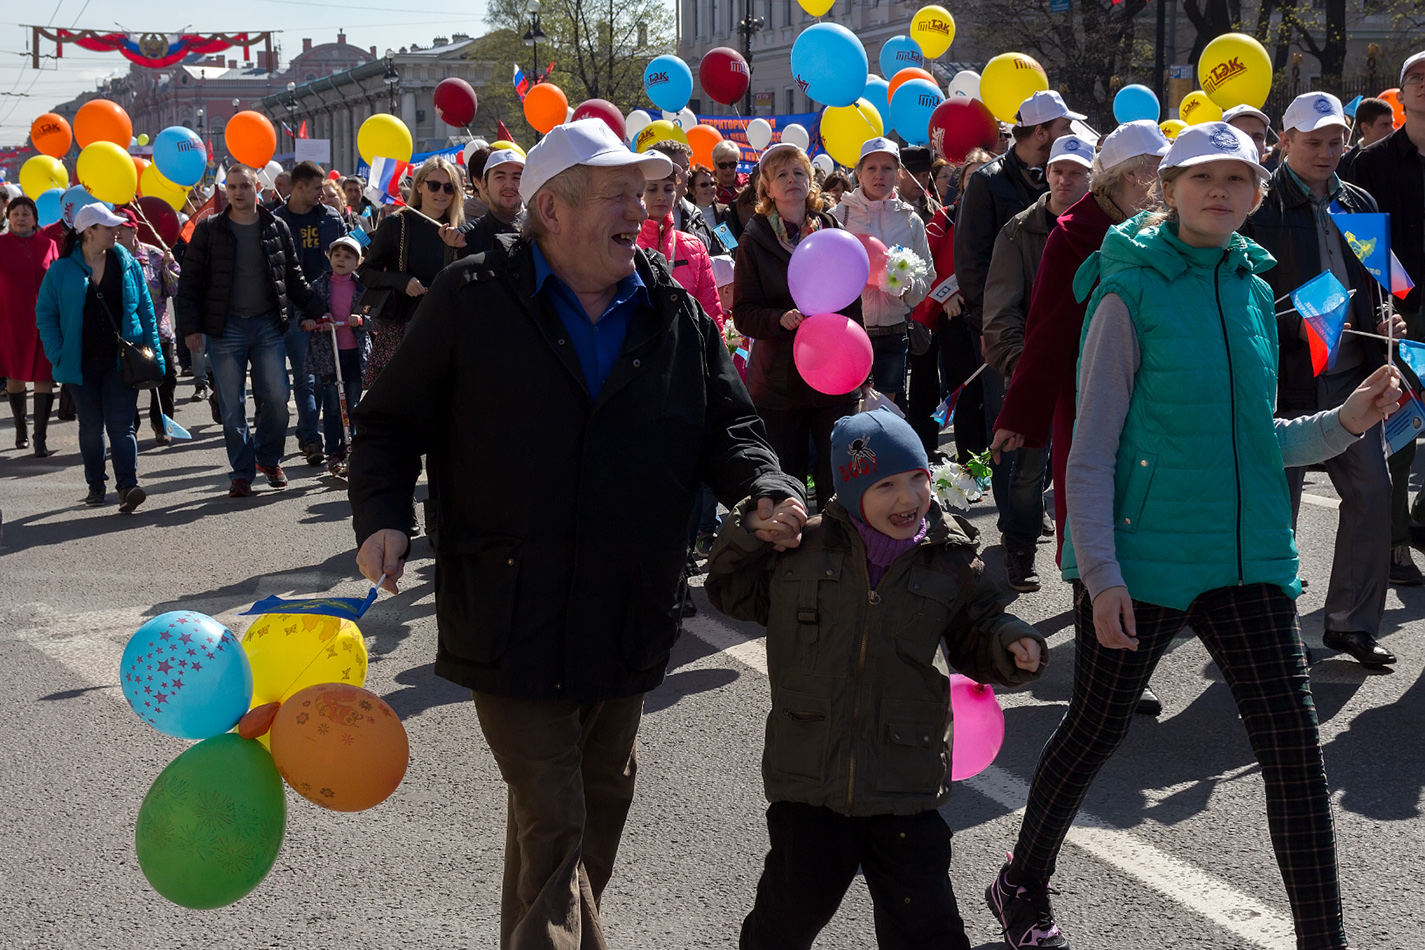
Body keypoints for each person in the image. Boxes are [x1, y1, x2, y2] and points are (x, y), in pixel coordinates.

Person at [349, 117, 805, 949]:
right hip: (508, 603)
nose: (643, 207)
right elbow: (387, 424)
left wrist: (764, 488)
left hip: (626, 605)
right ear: (551, 210)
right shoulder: (473, 295)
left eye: (645, 190)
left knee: (587, 820)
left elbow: (729, 428)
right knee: (555, 821)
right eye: (618, 193)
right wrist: (380, 515)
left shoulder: (670, 306)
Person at [984, 122, 1401, 950]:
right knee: (1095, 728)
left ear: (1255, 195)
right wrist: (1098, 573)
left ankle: (1325, 939)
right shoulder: (1123, 289)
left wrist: (1346, 422)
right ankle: (1020, 880)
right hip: (1144, 559)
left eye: (1236, 179)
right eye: (1199, 176)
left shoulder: (1250, 289)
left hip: (1247, 559)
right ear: (1164, 190)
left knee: (1293, 750)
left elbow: (1260, 438)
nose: (1220, 191)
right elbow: (1091, 446)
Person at [705, 407, 1046, 950]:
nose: (908, 498)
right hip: (810, 780)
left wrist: (1010, 641)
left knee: (927, 929)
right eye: (886, 485)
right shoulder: (801, 550)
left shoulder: (949, 558)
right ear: (850, 490)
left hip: (904, 780)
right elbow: (727, 588)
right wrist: (749, 530)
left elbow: (978, 625)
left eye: (917, 478)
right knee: (783, 922)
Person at [991, 120, 1170, 714]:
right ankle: (1104, 674)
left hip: (1156, 399)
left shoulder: (1172, 230)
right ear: (1118, 179)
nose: (1160, 184)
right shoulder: (1074, 233)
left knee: (1143, 530)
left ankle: (1126, 664)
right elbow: (1048, 328)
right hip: (1090, 395)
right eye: (1150, 172)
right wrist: (1023, 413)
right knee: (1094, 526)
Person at [1242, 91, 1402, 666]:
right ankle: (1271, 631)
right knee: (1273, 514)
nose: (1328, 151)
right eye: (1313, 141)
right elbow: (1244, 297)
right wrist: (1304, 317)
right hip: (1283, 382)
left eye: (1336, 140)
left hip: (1352, 378)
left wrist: (1387, 313)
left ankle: (1351, 626)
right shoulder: (1257, 206)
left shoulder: (1359, 199)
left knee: (1373, 495)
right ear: (1284, 142)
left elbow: (1382, 278)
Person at [981, 134, 1095, 592]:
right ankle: (1020, 550)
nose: (1065, 179)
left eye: (1076, 172)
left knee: (1085, 469)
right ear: (1045, 174)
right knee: (1027, 469)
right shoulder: (1019, 230)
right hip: (1032, 370)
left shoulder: (1105, 230)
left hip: (1088, 373)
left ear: (1092, 179)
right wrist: (1020, 364)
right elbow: (1000, 306)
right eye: (1057, 170)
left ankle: (1089, 559)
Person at [176, 163, 324, 498]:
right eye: (232, 187)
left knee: (276, 397)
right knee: (232, 405)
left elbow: (293, 277)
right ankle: (241, 472)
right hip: (224, 328)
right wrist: (190, 328)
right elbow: (190, 283)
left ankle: (268, 458)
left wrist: (320, 308)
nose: (239, 192)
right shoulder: (209, 229)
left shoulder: (276, 226)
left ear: (258, 187)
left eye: (245, 185)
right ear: (226, 190)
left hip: (268, 325)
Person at [733, 142, 863, 512]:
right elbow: (743, 313)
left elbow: (851, 299)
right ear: (767, 189)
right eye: (782, 175)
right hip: (779, 383)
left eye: (799, 173)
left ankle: (837, 553)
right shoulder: (754, 240)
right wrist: (778, 318)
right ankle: (787, 557)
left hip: (832, 375)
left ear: (811, 182)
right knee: (785, 478)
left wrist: (859, 365)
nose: (792, 180)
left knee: (835, 473)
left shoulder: (830, 228)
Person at [1347, 49, 1425, 575]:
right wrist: (1395, 297)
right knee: (1399, 426)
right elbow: (1361, 241)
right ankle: (1396, 538)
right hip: (1397, 312)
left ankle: (1419, 519)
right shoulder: (1370, 162)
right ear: (1401, 93)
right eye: (1416, 77)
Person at [36, 204, 164, 512]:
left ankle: (127, 486)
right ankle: (96, 484)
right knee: (91, 427)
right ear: (88, 231)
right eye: (108, 227)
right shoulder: (61, 269)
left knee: (122, 425)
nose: (116, 231)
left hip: (122, 361)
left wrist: (155, 354)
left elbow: (146, 310)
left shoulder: (127, 262)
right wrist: (57, 353)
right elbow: (45, 315)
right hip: (80, 363)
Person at [831, 137, 935, 404]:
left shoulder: (911, 220)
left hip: (894, 332)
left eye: (887, 168)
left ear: (898, 174)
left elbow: (928, 274)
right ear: (859, 173)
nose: (880, 176)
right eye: (872, 168)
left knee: (883, 413)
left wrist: (909, 287)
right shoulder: (837, 216)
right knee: (849, 410)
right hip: (849, 331)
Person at [907, 149, 993, 460]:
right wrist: (944, 294)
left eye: (987, 175)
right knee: (965, 392)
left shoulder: (1007, 218)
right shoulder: (944, 218)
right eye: (973, 176)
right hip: (955, 316)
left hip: (996, 315)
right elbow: (922, 265)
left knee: (994, 393)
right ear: (962, 181)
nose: (979, 182)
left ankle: (996, 461)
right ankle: (971, 465)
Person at [358, 156, 462, 389]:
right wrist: (402, 281)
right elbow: (366, 272)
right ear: (420, 187)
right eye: (434, 185)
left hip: (444, 329)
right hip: (402, 327)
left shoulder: (460, 230)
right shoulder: (396, 224)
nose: (441, 193)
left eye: (449, 187)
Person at [274, 160, 348, 466]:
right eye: (317, 188)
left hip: (328, 311)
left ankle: (309, 433)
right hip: (294, 312)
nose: (323, 193)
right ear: (299, 186)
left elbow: (349, 252)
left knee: (324, 378)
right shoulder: (277, 221)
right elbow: (277, 271)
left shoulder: (331, 219)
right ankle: (311, 438)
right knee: (304, 378)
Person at [302, 235, 368, 478]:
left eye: (348, 256)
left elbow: (375, 318)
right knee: (332, 406)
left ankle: (355, 452)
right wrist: (309, 322)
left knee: (353, 405)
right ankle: (334, 453)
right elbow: (303, 313)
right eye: (337, 255)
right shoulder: (317, 286)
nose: (342, 260)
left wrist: (360, 320)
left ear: (358, 262)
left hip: (355, 355)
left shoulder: (363, 288)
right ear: (329, 257)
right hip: (328, 356)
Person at [0, 195, 61, 456]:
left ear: (35, 219)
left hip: (44, 322)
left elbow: (57, 280)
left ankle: (40, 437)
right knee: (14, 378)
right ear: (8, 218)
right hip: (10, 322)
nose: (20, 218)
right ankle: (20, 427)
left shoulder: (48, 244)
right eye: (15, 214)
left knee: (43, 377)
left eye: (26, 214)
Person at [114, 208, 180, 447]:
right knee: (126, 382)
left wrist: (168, 267)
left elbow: (174, 291)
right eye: (114, 228)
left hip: (158, 331)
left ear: (135, 230)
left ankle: (162, 425)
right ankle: (130, 427)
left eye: (123, 228)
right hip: (126, 334)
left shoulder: (155, 255)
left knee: (166, 378)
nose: (117, 233)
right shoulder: (110, 257)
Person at [637, 161, 725, 328]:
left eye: (669, 189)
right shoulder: (625, 244)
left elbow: (710, 312)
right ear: (637, 192)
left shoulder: (694, 246)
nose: (662, 196)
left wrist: (717, 353)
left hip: (685, 350)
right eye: (652, 189)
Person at [647, 139, 725, 254]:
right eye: (685, 168)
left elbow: (721, 252)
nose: (689, 174)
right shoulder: (635, 218)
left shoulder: (694, 215)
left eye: (713, 184)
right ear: (667, 168)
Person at [446, 148, 525, 260]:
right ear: (484, 185)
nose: (509, 184)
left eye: (516, 178)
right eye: (500, 177)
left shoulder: (544, 231)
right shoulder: (466, 237)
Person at [689, 163, 729, 230]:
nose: (710, 188)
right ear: (692, 190)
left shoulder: (724, 212)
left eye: (712, 184)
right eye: (704, 185)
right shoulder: (687, 214)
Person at [713, 139, 749, 205]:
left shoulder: (747, 182)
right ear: (714, 165)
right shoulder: (707, 186)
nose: (728, 169)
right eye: (723, 165)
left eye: (732, 164)